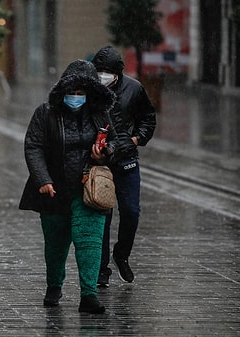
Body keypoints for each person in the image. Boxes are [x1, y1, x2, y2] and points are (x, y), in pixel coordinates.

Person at [18, 59, 117, 313]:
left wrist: (102, 154)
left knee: (90, 241)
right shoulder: (45, 113)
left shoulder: (99, 114)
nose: (75, 97)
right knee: (55, 243)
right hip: (54, 190)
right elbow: (34, 146)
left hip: (88, 190)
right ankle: (54, 285)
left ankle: (89, 294)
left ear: (91, 93)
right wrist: (43, 179)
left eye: (81, 93)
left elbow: (114, 144)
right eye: (71, 92)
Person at [91, 46, 156, 286]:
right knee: (103, 215)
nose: (103, 76)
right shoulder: (89, 90)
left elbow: (148, 118)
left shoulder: (134, 88)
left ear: (118, 73)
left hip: (127, 160)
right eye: (99, 71)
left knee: (131, 212)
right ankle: (101, 268)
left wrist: (136, 139)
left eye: (108, 72)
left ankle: (122, 255)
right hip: (100, 162)